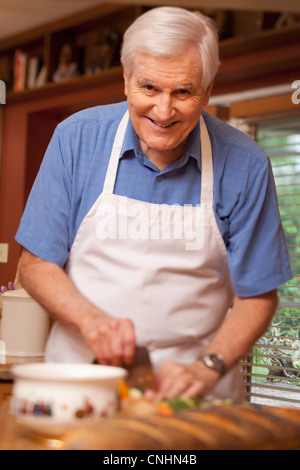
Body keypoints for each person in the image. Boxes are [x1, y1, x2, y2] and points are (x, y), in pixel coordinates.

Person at [15, 7, 291, 402]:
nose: (163, 112)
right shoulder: (76, 140)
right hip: (82, 381)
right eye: (149, 88)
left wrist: (209, 365)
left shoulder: (246, 165)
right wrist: (92, 323)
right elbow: (36, 263)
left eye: (183, 92)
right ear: (126, 80)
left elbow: (258, 295)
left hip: (195, 394)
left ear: (208, 90)